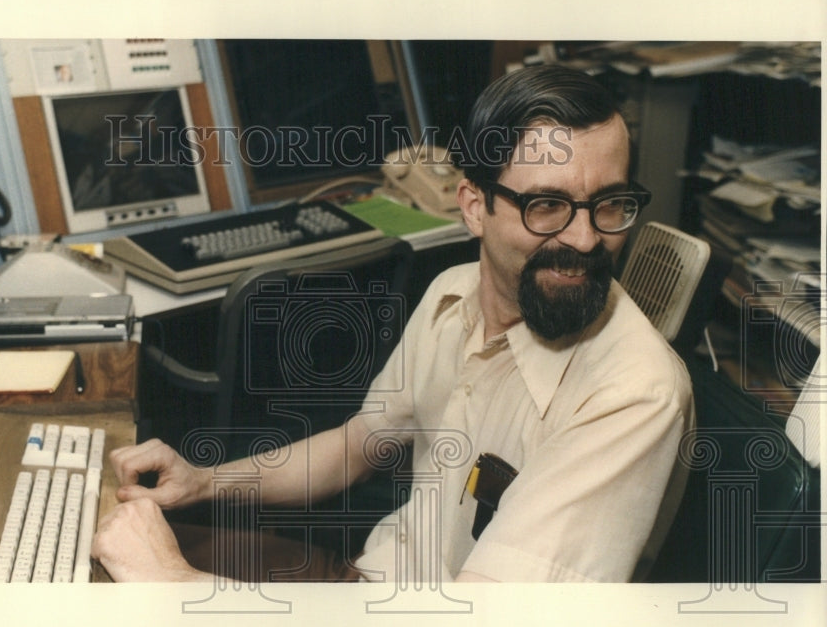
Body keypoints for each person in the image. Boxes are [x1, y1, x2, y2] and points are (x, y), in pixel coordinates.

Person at [91, 64, 694, 583]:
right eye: (547, 206)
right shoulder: (450, 296)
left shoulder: (632, 394)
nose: (588, 238)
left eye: (611, 203)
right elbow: (358, 446)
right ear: (474, 206)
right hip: (370, 587)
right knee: (90, 552)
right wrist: (201, 483)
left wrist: (169, 583)